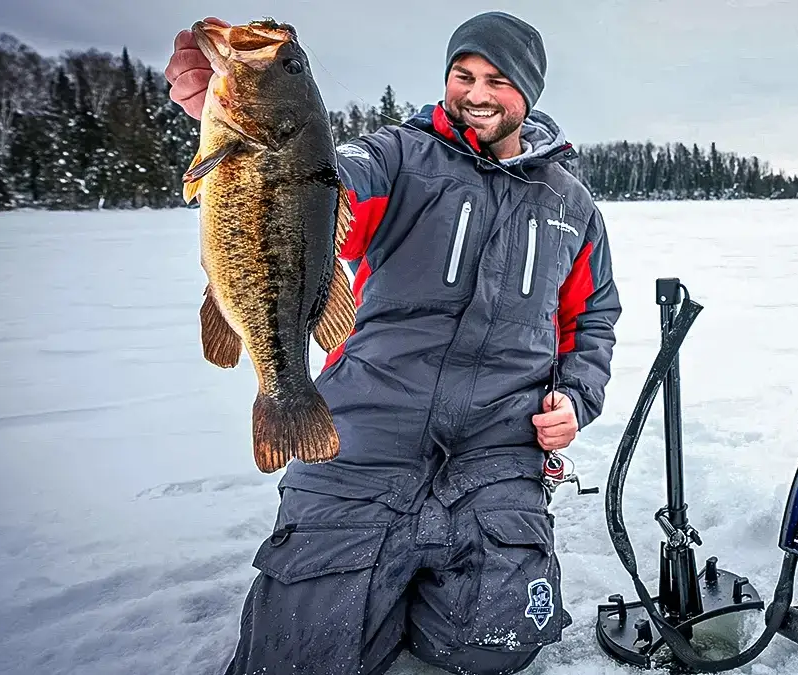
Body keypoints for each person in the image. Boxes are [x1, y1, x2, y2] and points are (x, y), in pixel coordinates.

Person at [165, 11, 621, 675]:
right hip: (363, 438)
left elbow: (594, 317)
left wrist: (576, 397)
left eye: (498, 79)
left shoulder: (571, 205)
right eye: (462, 74)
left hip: (497, 452)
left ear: (529, 92)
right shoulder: (398, 156)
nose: (477, 91)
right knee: (297, 657)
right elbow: (324, 185)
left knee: (494, 648)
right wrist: (232, 118)